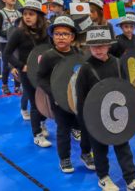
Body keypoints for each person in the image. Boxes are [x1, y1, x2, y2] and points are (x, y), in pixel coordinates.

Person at [76, 25, 135, 191]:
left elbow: (125, 88)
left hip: (118, 115)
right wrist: (84, 124)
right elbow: (81, 100)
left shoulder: (117, 63)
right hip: (95, 117)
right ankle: (103, 177)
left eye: (102, 45)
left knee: (123, 147)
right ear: (89, 47)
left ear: (109, 45)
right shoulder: (85, 69)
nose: (98, 49)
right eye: (94, 46)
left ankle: (131, 180)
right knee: (99, 150)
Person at [36, 16, 94, 173]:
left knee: (85, 127)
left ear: (72, 37)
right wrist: (54, 94)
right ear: (53, 36)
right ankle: (64, 158)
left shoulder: (78, 53)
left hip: (78, 100)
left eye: (65, 34)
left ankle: (86, 153)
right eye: (57, 34)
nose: (61, 37)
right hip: (59, 101)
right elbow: (41, 78)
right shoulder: (49, 56)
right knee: (63, 129)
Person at [3, 0, 50, 143]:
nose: (27, 17)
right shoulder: (18, 33)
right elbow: (7, 54)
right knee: (35, 103)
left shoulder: (46, 33)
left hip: (42, 72)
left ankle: (42, 123)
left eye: (31, 14)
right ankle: (37, 135)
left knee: (44, 100)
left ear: (39, 17)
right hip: (27, 74)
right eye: (25, 14)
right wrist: (20, 66)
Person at [0, 0, 22, 95]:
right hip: (5, 43)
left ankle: (17, 85)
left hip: (16, 43)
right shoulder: (1, 13)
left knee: (17, 63)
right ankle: (4, 85)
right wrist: (9, 34)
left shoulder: (19, 14)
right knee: (6, 64)